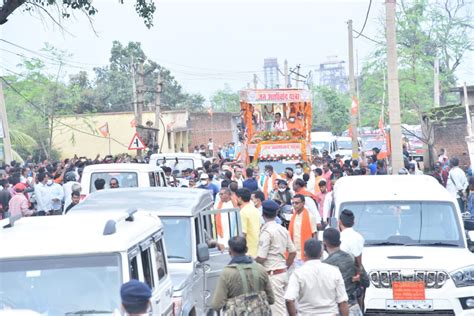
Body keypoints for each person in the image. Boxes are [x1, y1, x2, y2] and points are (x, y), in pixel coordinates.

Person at [284, 238, 349, 316]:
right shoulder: (334, 271)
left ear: (304, 253)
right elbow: (343, 302)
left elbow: (289, 300)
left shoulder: (298, 273)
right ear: (321, 253)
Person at [211, 236, 274, 313]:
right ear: (246, 249)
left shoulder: (227, 273)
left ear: (230, 251)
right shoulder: (260, 269)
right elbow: (271, 299)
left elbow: (216, 305)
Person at [256, 200, 296, 315]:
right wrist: (285, 266)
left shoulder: (267, 232)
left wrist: (251, 261)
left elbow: (261, 257)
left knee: (278, 311)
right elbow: (292, 252)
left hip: (272, 276)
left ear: (263, 214)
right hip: (282, 273)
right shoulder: (282, 229)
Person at [323, 228, 363, 316]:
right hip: (352, 307)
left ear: (324, 243)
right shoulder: (351, 258)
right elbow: (366, 281)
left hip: (334, 309)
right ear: (339, 242)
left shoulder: (325, 265)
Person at [288, 194, 318, 264]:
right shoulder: (293, 217)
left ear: (303, 203)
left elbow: (314, 235)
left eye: (297, 203)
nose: (294, 205)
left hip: (306, 255)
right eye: (293, 203)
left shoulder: (310, 217)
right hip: (294, 255)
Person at [236, 188, 260, 257]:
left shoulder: (243, 212)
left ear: (240, 198)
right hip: (256, 246)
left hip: (248, 249)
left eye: (237, 198)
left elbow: (243, 233)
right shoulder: (255, 210)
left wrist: (240, 250)